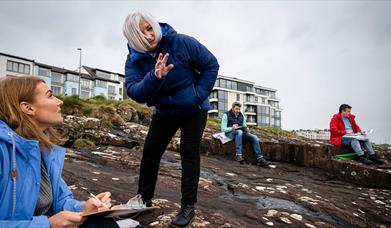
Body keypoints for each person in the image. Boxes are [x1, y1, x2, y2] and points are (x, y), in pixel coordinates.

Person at [122, 11, 219, 228]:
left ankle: (188, 206)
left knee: (189, 151)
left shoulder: (181, 42)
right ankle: (144, 199)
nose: (148, 35)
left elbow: (211, 64)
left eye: (149, 28)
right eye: (141, 32)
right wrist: (154, 77)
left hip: (193, 108)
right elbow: (135, 91)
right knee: (150, 153)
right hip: (165, 111)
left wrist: (197, 95)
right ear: (132, 37)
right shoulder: (134, 60)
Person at [0, 76, 118, 228]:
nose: (60, 101)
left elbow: (60, 201)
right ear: (28, 107)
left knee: (101, 222)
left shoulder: (42, 149)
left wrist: (85, 208)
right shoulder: (3, 149)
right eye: (50, 95)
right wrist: (47, 224)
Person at [221, 102, 271, 167]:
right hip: (230, 133)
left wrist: (246, 129)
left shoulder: (242, 116)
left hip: (241, 133)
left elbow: (244, 126)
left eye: (239, 109)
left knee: (254, 137)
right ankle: (238, 155)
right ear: (232, 108)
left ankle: (260, 158)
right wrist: (231, 128)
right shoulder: (226, 115)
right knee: (239, 132)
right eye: (236, 109)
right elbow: (223, 128)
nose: (238, 111)